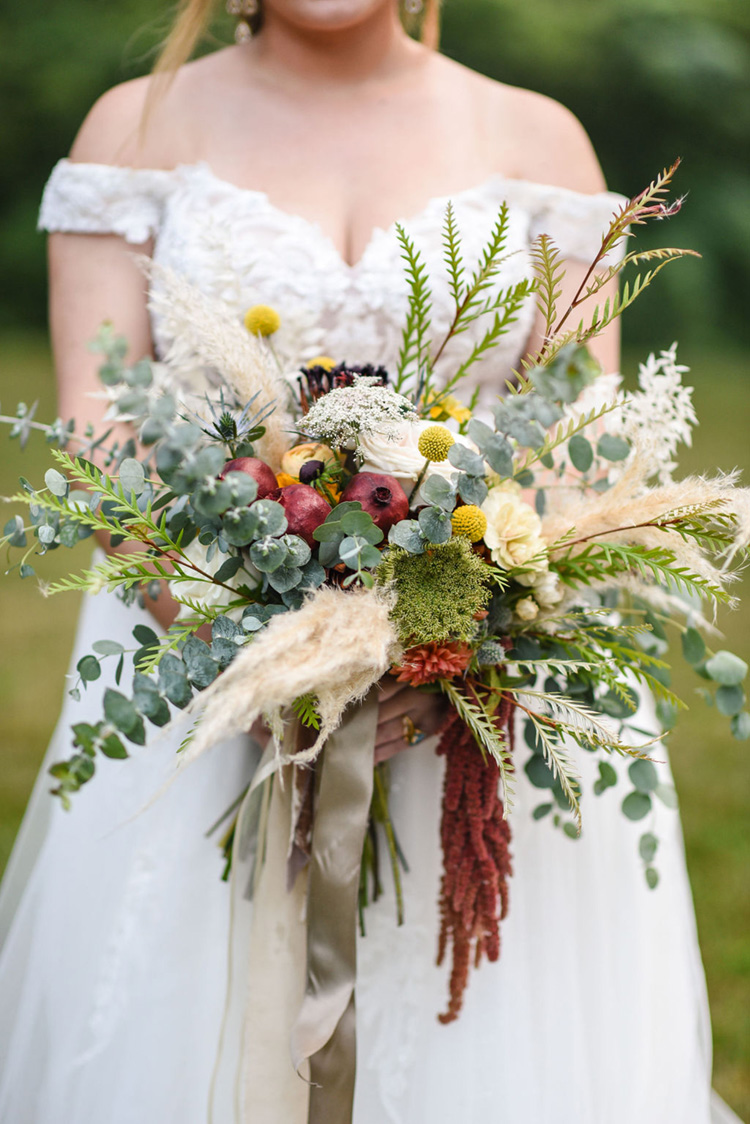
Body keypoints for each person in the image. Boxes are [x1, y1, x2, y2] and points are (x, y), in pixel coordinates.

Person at [0, 1, 741, 1121]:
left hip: (491, 692)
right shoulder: (134, 128)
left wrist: (453, 628)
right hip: (197, 683)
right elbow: (103, 411)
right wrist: (235, 628)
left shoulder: (538, 138)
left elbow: (577, 433)